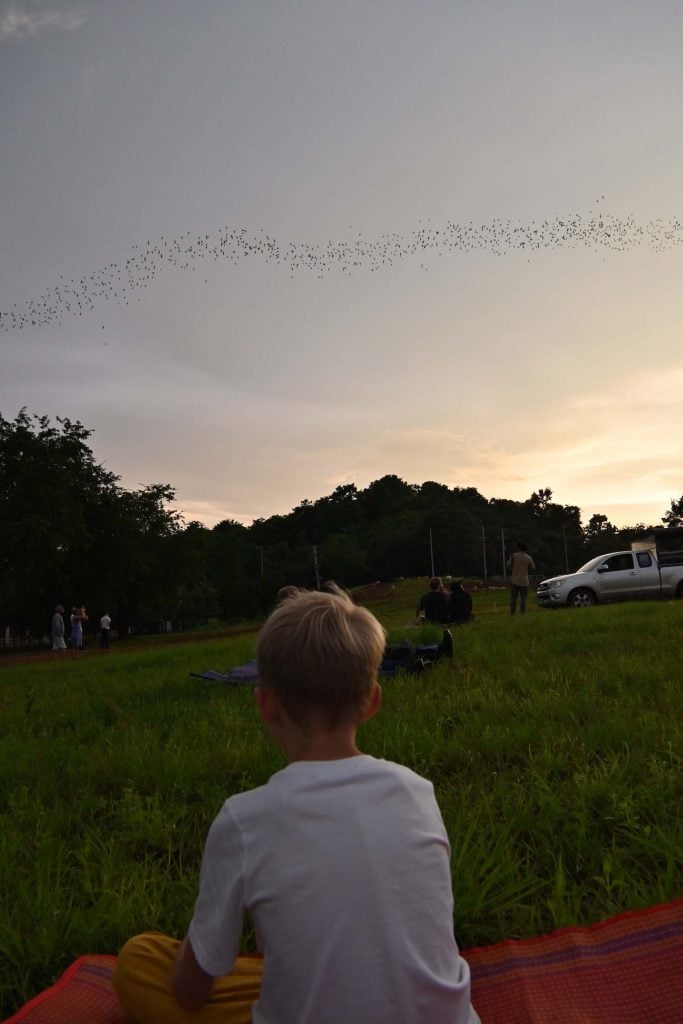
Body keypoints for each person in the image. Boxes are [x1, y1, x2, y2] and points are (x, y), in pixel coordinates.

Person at [113, 589, 480, 1024]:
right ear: (373, 701)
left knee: (139, 958)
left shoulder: (244, 819)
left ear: (265, 704)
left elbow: (192, 992)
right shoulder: (419, 791)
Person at [507, 542, 535, 615]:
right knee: (523, 599)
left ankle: (512, 613)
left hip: (515, 580)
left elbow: (508, 565)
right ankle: (522, 613)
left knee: (513, 598)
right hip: (524, 581)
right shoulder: (528, 557)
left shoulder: (514, 556)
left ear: (519, 548)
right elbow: (533, 567)